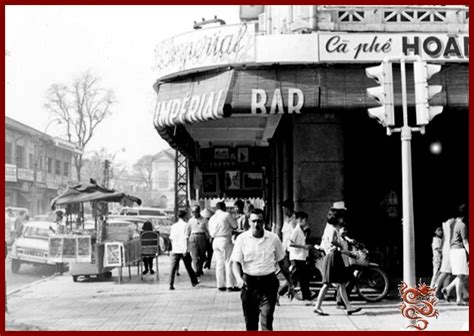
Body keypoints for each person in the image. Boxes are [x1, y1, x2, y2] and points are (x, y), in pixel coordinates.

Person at [231, 208, 295, 331]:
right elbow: (235, 263)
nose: (256, 224)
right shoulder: (242, 239)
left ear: (263, 222)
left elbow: (283, 262)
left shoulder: (273, 238)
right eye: (254, 221)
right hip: (249, 284)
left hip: (268, 284)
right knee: (251, 324)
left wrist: (291, 284)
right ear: (249, 222)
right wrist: (239, 279)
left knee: (267, 320)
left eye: (259, 221)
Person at [312, 202, 361, 316]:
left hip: (333, 256)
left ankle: (348, 307)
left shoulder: (332, 228)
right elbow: (333, 241)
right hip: (333, 256)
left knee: (341, 283)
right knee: (328, 283)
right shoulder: (333, 229)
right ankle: (317, 306)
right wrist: (340, 245)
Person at [209, 201, 239, 291]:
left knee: (219, 263)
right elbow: (235, 226)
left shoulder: (212, 218)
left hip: (215, 241)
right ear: (223, 207)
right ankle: (230, 285)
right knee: (228, 262)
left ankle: (220, 285)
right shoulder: (226, 215)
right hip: (225, 239)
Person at [169, 210, 199, 290]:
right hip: (184, 249)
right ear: (185, 216)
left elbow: (171, 238)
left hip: (175, 249)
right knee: (188, 266)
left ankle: (171, 284)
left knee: (173, 268)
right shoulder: (187, 225)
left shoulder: (173, 226)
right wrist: (186, 249)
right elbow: (186, 238)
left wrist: (173, 248)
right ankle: (194, 282)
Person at [288, 211, 312, 302]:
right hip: (296, 257)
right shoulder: (296, 230)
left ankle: (306, 296)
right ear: (300, 220)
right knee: (298, 277)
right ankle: (280, 292)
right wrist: (303, 246)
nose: (306, 222)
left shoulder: (301, 230)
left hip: (301, 256)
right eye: (305, 220)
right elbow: (291, 243)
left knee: (302, 277)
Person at [448, 204, 469, 305]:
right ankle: (459, 299)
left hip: (452, 250)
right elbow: (465, 241)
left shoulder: (452, 224)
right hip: (459, 250)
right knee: (461, 276)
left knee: (461, 275)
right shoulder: (462, 225)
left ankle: (448, 289)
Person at [187, 205, 209, 277]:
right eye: (193, 212)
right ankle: (197, 271)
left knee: (202, 255)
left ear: (199, 211)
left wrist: (209, 237)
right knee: (194, 255)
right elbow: (187, 230)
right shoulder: (190, 220)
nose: (194, 213)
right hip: (193, 237)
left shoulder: (204, 220)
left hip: (202, 236)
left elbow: (208, 229)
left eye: (195, 212)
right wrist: (187, 239)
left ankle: (200, 268)